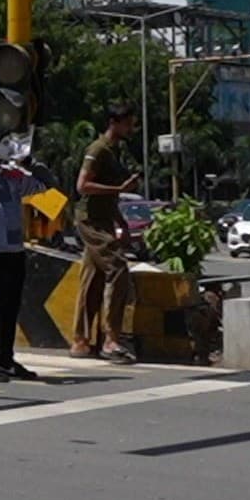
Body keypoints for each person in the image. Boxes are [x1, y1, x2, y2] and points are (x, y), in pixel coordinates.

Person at [0, 133, 56, 382]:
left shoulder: (15, 177)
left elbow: (48, 188)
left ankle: (5, 359)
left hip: (14, 248)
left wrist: (30, 163)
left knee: (11, 306)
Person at [73, 102, 141, 363]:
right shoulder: (98, 149)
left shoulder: (114, 151)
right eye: (128, 123)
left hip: (102, 218)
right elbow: (83, 186)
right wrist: (119, 190)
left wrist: (120, 220)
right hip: (90, 220)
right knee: (118, 268)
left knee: (92, 278)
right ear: (115, 122)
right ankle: (111, 339)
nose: (130, 128)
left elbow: (111, 193)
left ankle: (81, 339)